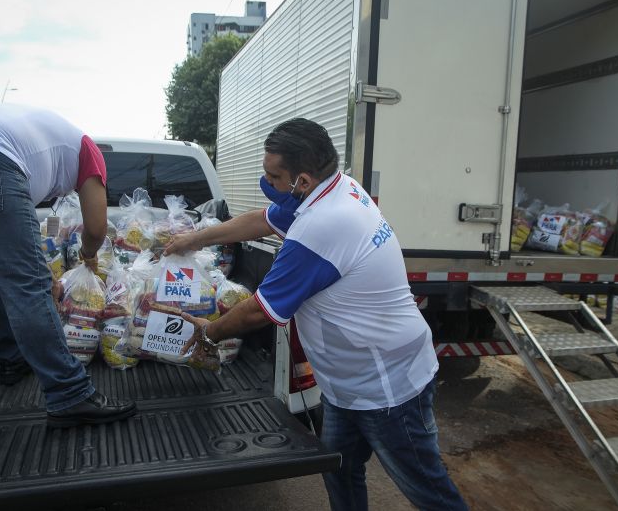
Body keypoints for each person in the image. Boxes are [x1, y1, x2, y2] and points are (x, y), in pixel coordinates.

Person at [165, 118, 468, 510]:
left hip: (387, 388)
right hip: (348, 383)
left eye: (274, 176)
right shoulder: (338, 189)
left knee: (428, 490)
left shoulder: (323, 224)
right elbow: (262, 219)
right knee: (340, 470)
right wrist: (194, 238)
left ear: (302, 180)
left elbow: (260, 312)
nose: (268, 183)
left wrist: (210, 332)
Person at [0, 103, 136, 427]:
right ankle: (70, 393)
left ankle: (11, 358)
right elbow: (97, 228)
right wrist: (87, 256)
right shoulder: (87, 149)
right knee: (28, 286)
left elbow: (6, 243)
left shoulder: (38, 144)